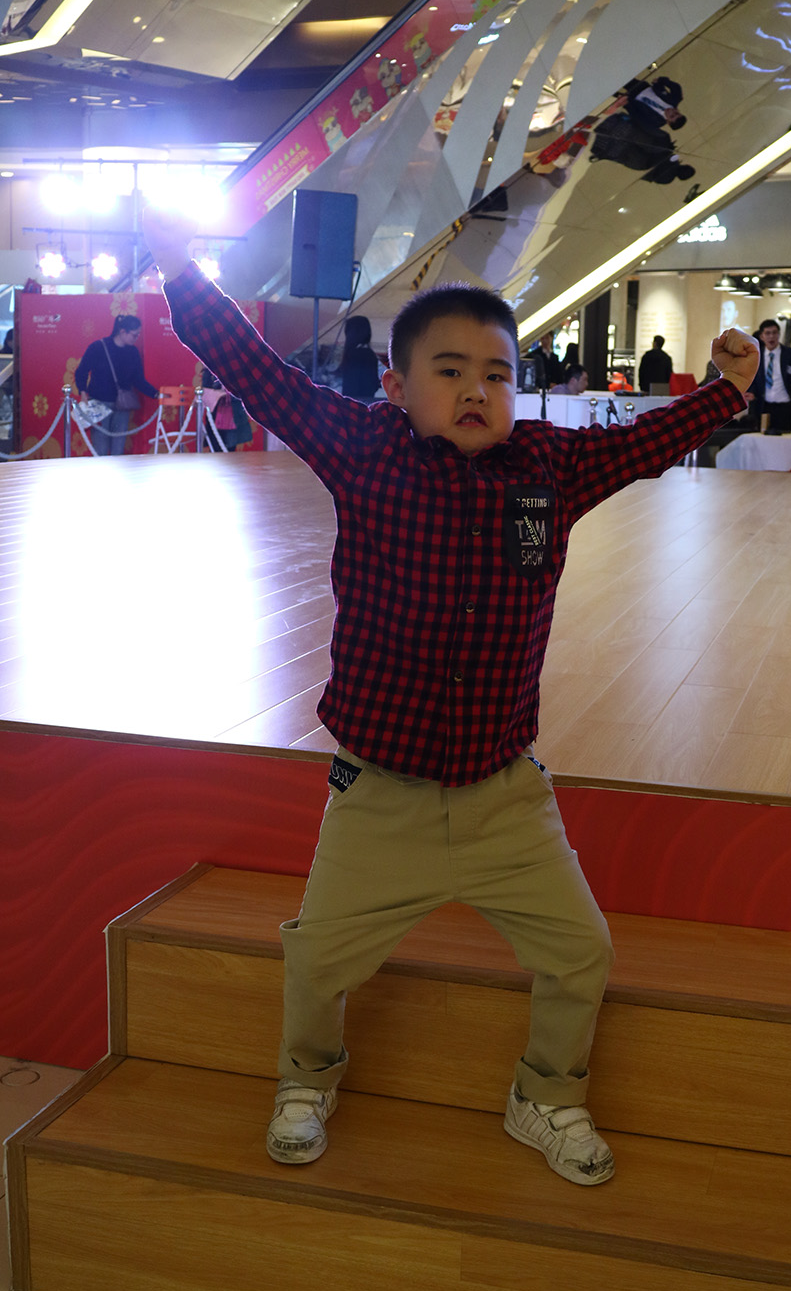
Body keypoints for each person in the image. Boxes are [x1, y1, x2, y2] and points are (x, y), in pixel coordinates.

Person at [142, 205, 757, 1188]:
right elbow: (260, 373)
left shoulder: (550, 467)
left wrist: (726, 391)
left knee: (581, 951)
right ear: (395, 388)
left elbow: (647, 442)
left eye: (498, 374)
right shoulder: (363, 446)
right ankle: (307, 1076)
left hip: (505, 795)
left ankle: (545, 1095)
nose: (478, 389)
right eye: (451, 370)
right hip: (378, 793)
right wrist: (183, 274)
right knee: (317, 957)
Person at [74, 314, 159, 456]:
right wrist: (83, 392)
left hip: (122, 405)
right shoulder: (98, 347)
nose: (136, 338)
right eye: (134, 335)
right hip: (99, 403)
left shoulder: (133, 352)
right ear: (122, 331)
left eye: (138, 335)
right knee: (100, 449)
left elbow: (138, 379)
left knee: (118, 450)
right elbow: (81, 371)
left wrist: (155, 394)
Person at [748, 319, 791, 432]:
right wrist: (751, 392)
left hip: (785, 406)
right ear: (762, 336)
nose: (771, 337)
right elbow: (752, 377)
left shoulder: (790, 354)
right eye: (768, 333)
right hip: (763, 406)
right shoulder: (757, 356)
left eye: (774, 333)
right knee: (762, 438)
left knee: (784, 437)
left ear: (779, 334)